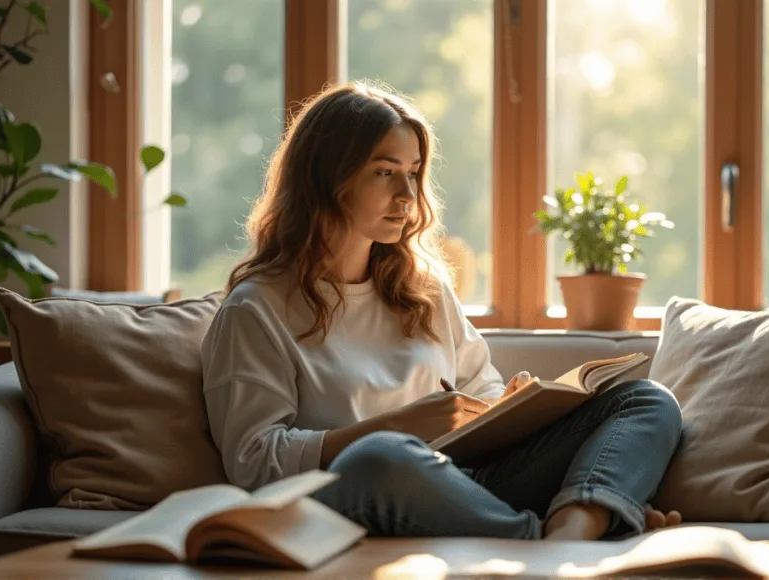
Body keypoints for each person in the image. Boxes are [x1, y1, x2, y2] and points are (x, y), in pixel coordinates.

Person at [200, 81, 684, 541]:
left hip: (471, 484)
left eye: (413, 174)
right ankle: (561, 534)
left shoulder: (423, 287)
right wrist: (396, 427)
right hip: (365, 489)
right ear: (328, 178)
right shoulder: (257, 309)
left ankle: (575, 524)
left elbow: (481, 386)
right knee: (381, 456)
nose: (408, 197)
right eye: (385, 172)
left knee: (646, 400)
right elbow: (253, 460)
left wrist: (509, 409)